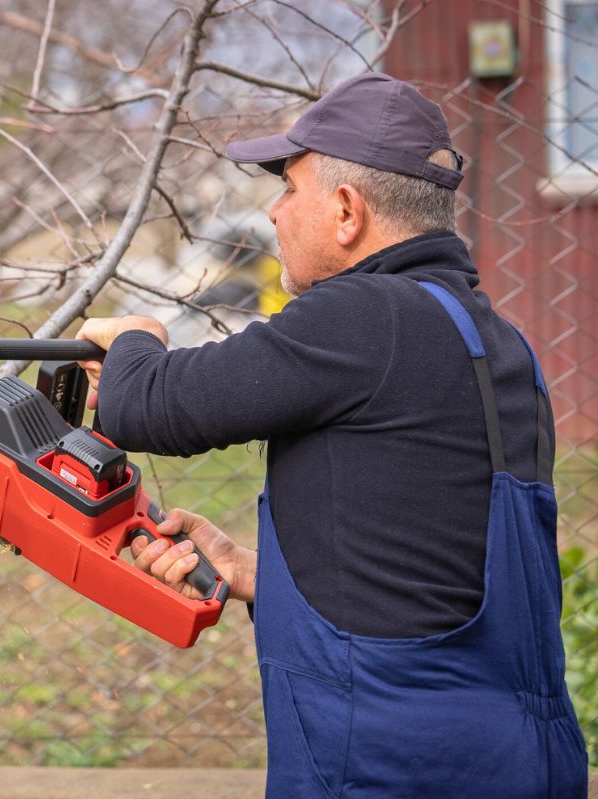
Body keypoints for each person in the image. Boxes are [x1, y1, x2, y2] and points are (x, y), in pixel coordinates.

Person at [76, 73, 587, 797]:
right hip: (519, 755)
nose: (277, 214)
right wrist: (265, 576)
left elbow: (151, 406)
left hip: (393, 762)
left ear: (346, 210)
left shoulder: (364, 316)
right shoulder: (494, 340)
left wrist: (137, 337)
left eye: (288, 188)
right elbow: (426, 544)